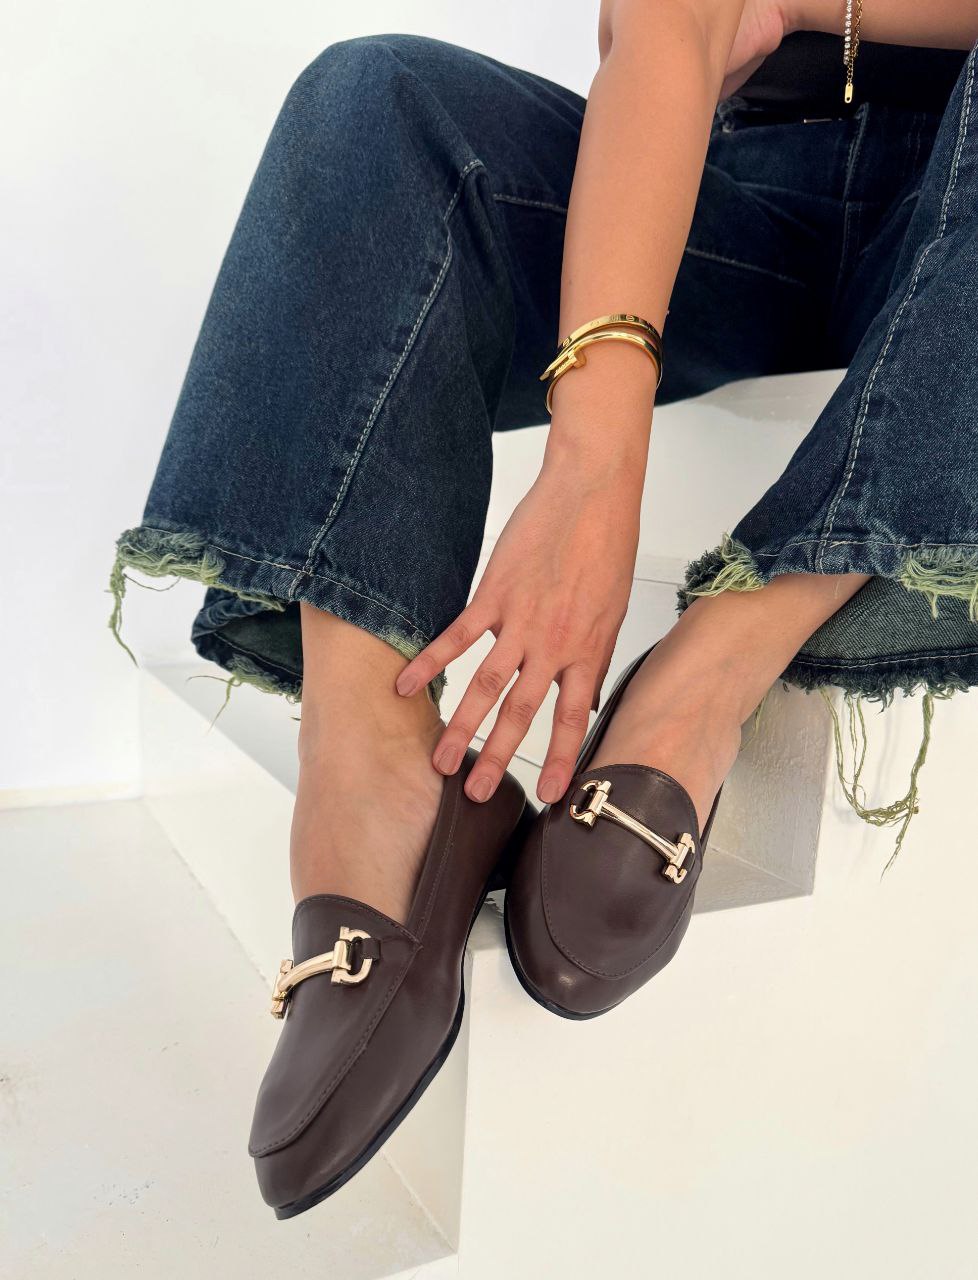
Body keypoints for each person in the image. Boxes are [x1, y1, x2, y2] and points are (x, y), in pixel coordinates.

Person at [109, 0, 978, 1218]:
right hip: (747, 184)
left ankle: (711, 667)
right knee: (376, 103)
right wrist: (592, 460)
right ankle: (370, 766)